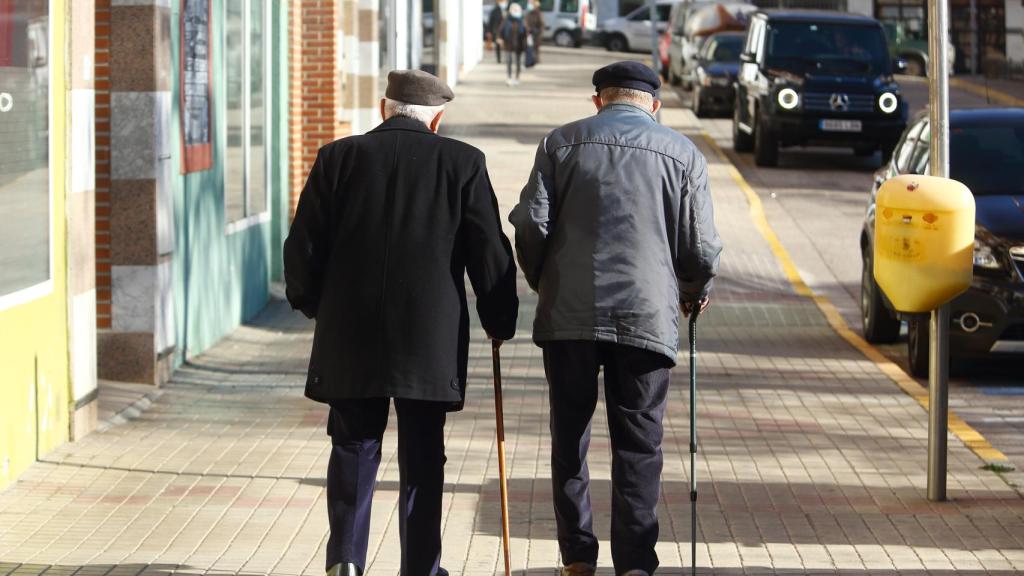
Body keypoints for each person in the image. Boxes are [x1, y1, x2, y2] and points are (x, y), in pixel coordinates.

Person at [285, 69, 519, 576]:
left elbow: (303, 246)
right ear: (437, 120)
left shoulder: (337, 158)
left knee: (353, 442)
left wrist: (311, 303)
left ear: (383, 108)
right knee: (422, 453)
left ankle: (346, 560)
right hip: (427, 338)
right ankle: (421, 567)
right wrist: (499, 318)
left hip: (350, 332)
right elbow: (489, 251)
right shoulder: (463, 163)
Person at [509, 61, 722, 576]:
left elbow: (530, 228)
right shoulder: (683, 154)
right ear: (654, 105)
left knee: (570, 437)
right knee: (639, 445)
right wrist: (693, 292)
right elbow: (699, 248)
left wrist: (546, 283)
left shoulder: (560, 144)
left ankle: (578, 558)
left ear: (598, 101)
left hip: (569, 319)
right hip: (646, 318)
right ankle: (633, 564)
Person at [500, 3, 529, 86]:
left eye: (517, 10)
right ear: (510, 11)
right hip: (508, 44)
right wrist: (500, 38)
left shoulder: (522, 20)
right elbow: (501, 30)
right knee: (509, 61)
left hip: (519, 44)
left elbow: (526, 31)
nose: (515, 11)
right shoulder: (506, 20)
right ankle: (509, 77)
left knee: (518, 62)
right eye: (513, 9)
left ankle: (517, 77)